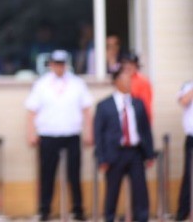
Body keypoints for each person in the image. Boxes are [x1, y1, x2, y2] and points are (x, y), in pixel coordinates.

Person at [26, 50, 93, 221]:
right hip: (48, 134)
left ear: (66, 64)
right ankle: (44, 210)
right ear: (51, 64)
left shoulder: (77, 83)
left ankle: (78, 210)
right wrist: (31, 133)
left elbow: (86, 110)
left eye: (62, 63)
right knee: (47, 174)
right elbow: (32, 111)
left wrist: (88, 132)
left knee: (74, 174)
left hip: (71, 133)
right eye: (55, 63)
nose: (59, 67)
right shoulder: (41, 84)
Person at [95, 65, 154, 222]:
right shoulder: (104, 105)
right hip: (115, 154)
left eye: (130, 80)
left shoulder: (138, 103)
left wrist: (149, 154)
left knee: (140, 191)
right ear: (116, 82)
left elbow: (146, 130)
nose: (129, 83)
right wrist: (101, 158)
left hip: (135, 152)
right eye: (125, 79)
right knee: (112, 190)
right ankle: (110, 218)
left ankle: (141, 218)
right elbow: (98, 134)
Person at [119, 52, 154, 120]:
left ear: (136, 66)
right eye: (125, 63)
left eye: (131, 64)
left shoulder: (143, 82)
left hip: (136, 119)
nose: (128, 66)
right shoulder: (120, 80)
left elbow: (146, 106)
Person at [177, 77, 193, 221]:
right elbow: (183, 101)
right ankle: (183, 213)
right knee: (189, 175)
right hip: (192, 137)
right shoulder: (188, 85)